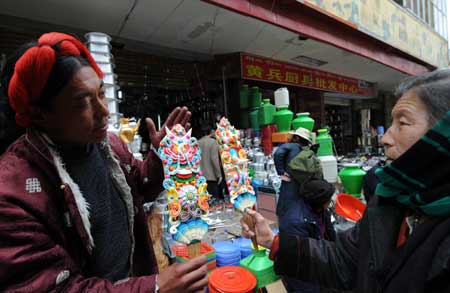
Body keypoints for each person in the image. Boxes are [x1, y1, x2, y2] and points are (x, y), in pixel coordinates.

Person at [0, 32, 208, 292]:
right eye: (82, 102)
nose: (103, 111)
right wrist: (154, 287)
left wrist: (164, 154)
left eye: (101, 93)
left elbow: (140, 185)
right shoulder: (13, 194)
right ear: (40, 115)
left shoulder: (110, 146)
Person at [242, 69, 450, 293]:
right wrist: (272, 241)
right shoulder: (387, 203)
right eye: (391, 123)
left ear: (442, 135)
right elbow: (345, 261)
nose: (386, 138)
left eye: (403, 123)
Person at [279, 179, 336, 293]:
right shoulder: (295, 222)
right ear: (320, 201)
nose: (331, 202)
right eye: (329, 200)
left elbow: (330, 235)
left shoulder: (321, 211)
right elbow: (298, 261)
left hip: (318, 261)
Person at [273, 127, 312, 217]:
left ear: (297, 138)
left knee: (286, 203)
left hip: (289, 179)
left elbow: (278, 153)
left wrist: (281, 171)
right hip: (302, 181)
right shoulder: (306, 150)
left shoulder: (291, 146)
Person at [198, 124, 222, 199]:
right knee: (213, 203)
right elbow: (214, 159)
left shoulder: (197, 143)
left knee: (203, 202)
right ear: (211, 132)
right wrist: (219, 174)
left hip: (200, 177)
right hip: (211, 177)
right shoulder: (213, 142)